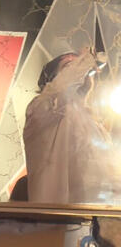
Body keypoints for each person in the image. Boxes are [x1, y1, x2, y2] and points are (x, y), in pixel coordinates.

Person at [22, 49, 113, 204]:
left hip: (100, 215)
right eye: (68, 66)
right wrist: (86, 61)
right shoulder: (42, 107)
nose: (80, 70)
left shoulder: (95, 125)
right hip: (60, 216)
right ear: (51, 80)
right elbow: (60, 92)